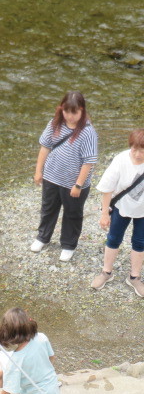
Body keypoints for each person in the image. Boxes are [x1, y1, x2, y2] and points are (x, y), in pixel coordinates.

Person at [31, 91, 98, 262]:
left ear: (81, 110)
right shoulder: (54, 124)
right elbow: (45, 147)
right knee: (48, 209)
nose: (70, 116)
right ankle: (42, 237)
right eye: (66, 111)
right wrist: (39, 171)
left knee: (72, 213)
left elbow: (88, 162)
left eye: (74, 112)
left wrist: (78, 185)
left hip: (73, 183)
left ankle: (68, 245)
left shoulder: (88, 132)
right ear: (61, 109)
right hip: (52, 177)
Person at [91, 129, 144, 296]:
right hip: (121, 207)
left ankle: (134, 277)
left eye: (142, 150)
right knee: (114, 238)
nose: (137, 154)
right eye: (134, 149)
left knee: (140, 242)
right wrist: (104, 214)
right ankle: (106, 272)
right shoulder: (121, 160)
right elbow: (107, 188)